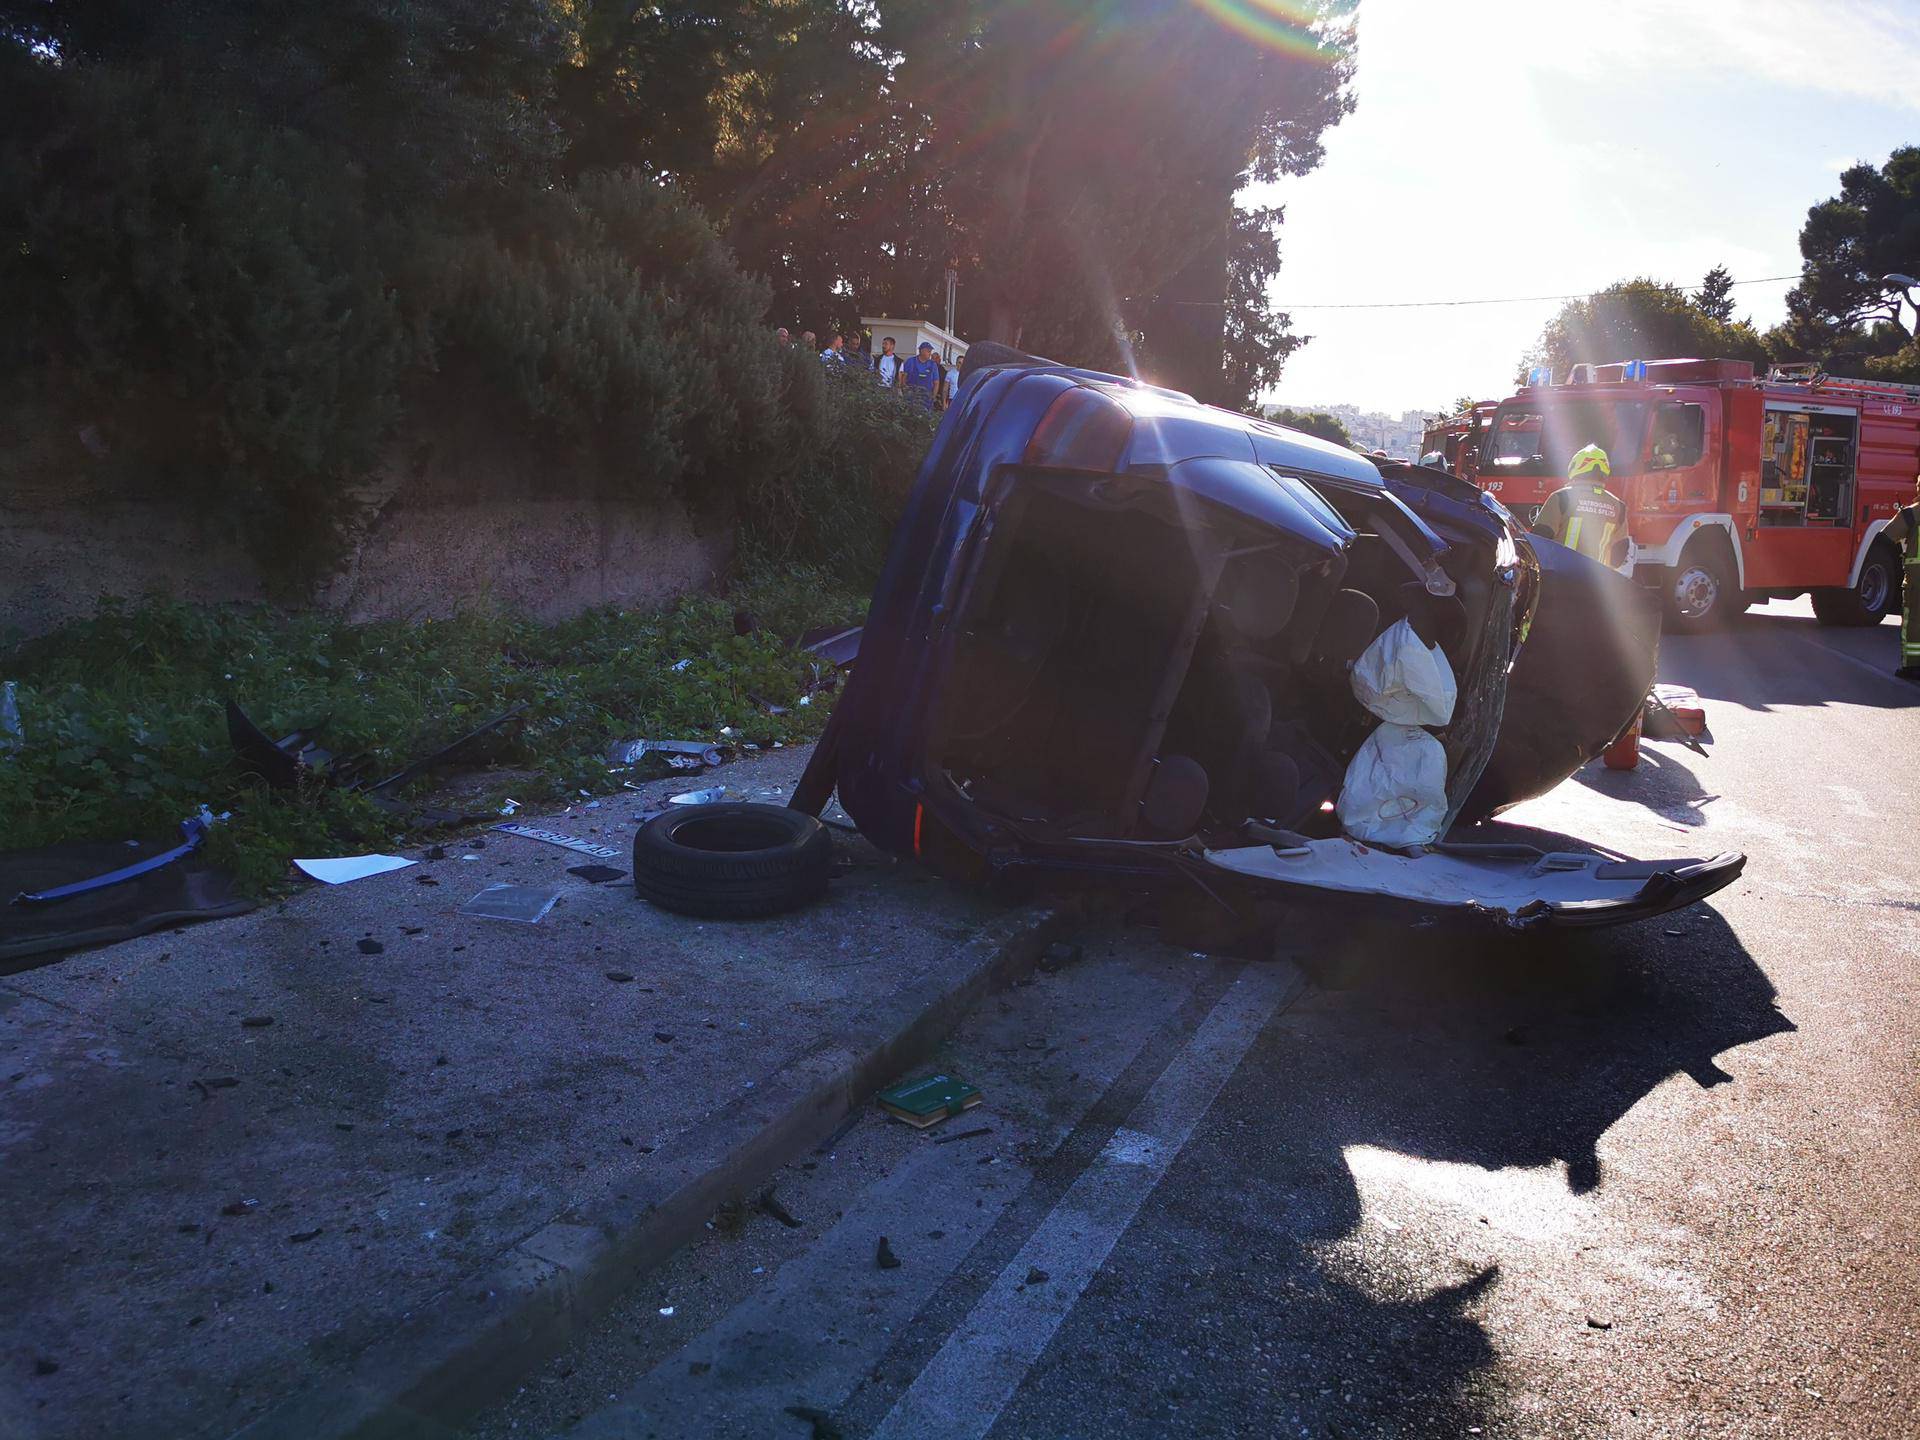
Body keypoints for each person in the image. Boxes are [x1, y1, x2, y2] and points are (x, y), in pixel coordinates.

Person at [1533, 443, 1628, 565]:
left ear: (1575, 467)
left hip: (1561, 576)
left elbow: (1539, 539)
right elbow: (1618, 556)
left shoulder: (1562, 497)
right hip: (1597, 581)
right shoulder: (1618, 506)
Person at [1884, 474, 1920, 681]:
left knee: (1913, 621)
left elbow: (1888, 535)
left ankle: (1912, 667)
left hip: (1917, 579)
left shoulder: (1912, 513)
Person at [902, 340, 940, 408]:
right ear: (921, 351)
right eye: (928, 351)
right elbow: (903, 378)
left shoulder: (933, 365)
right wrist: (905, 392)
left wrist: (933, 397)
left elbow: (936, 383)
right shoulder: (911, 361)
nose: (930, 353)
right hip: (911, 398)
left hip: (926, 400)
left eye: (930, 351)